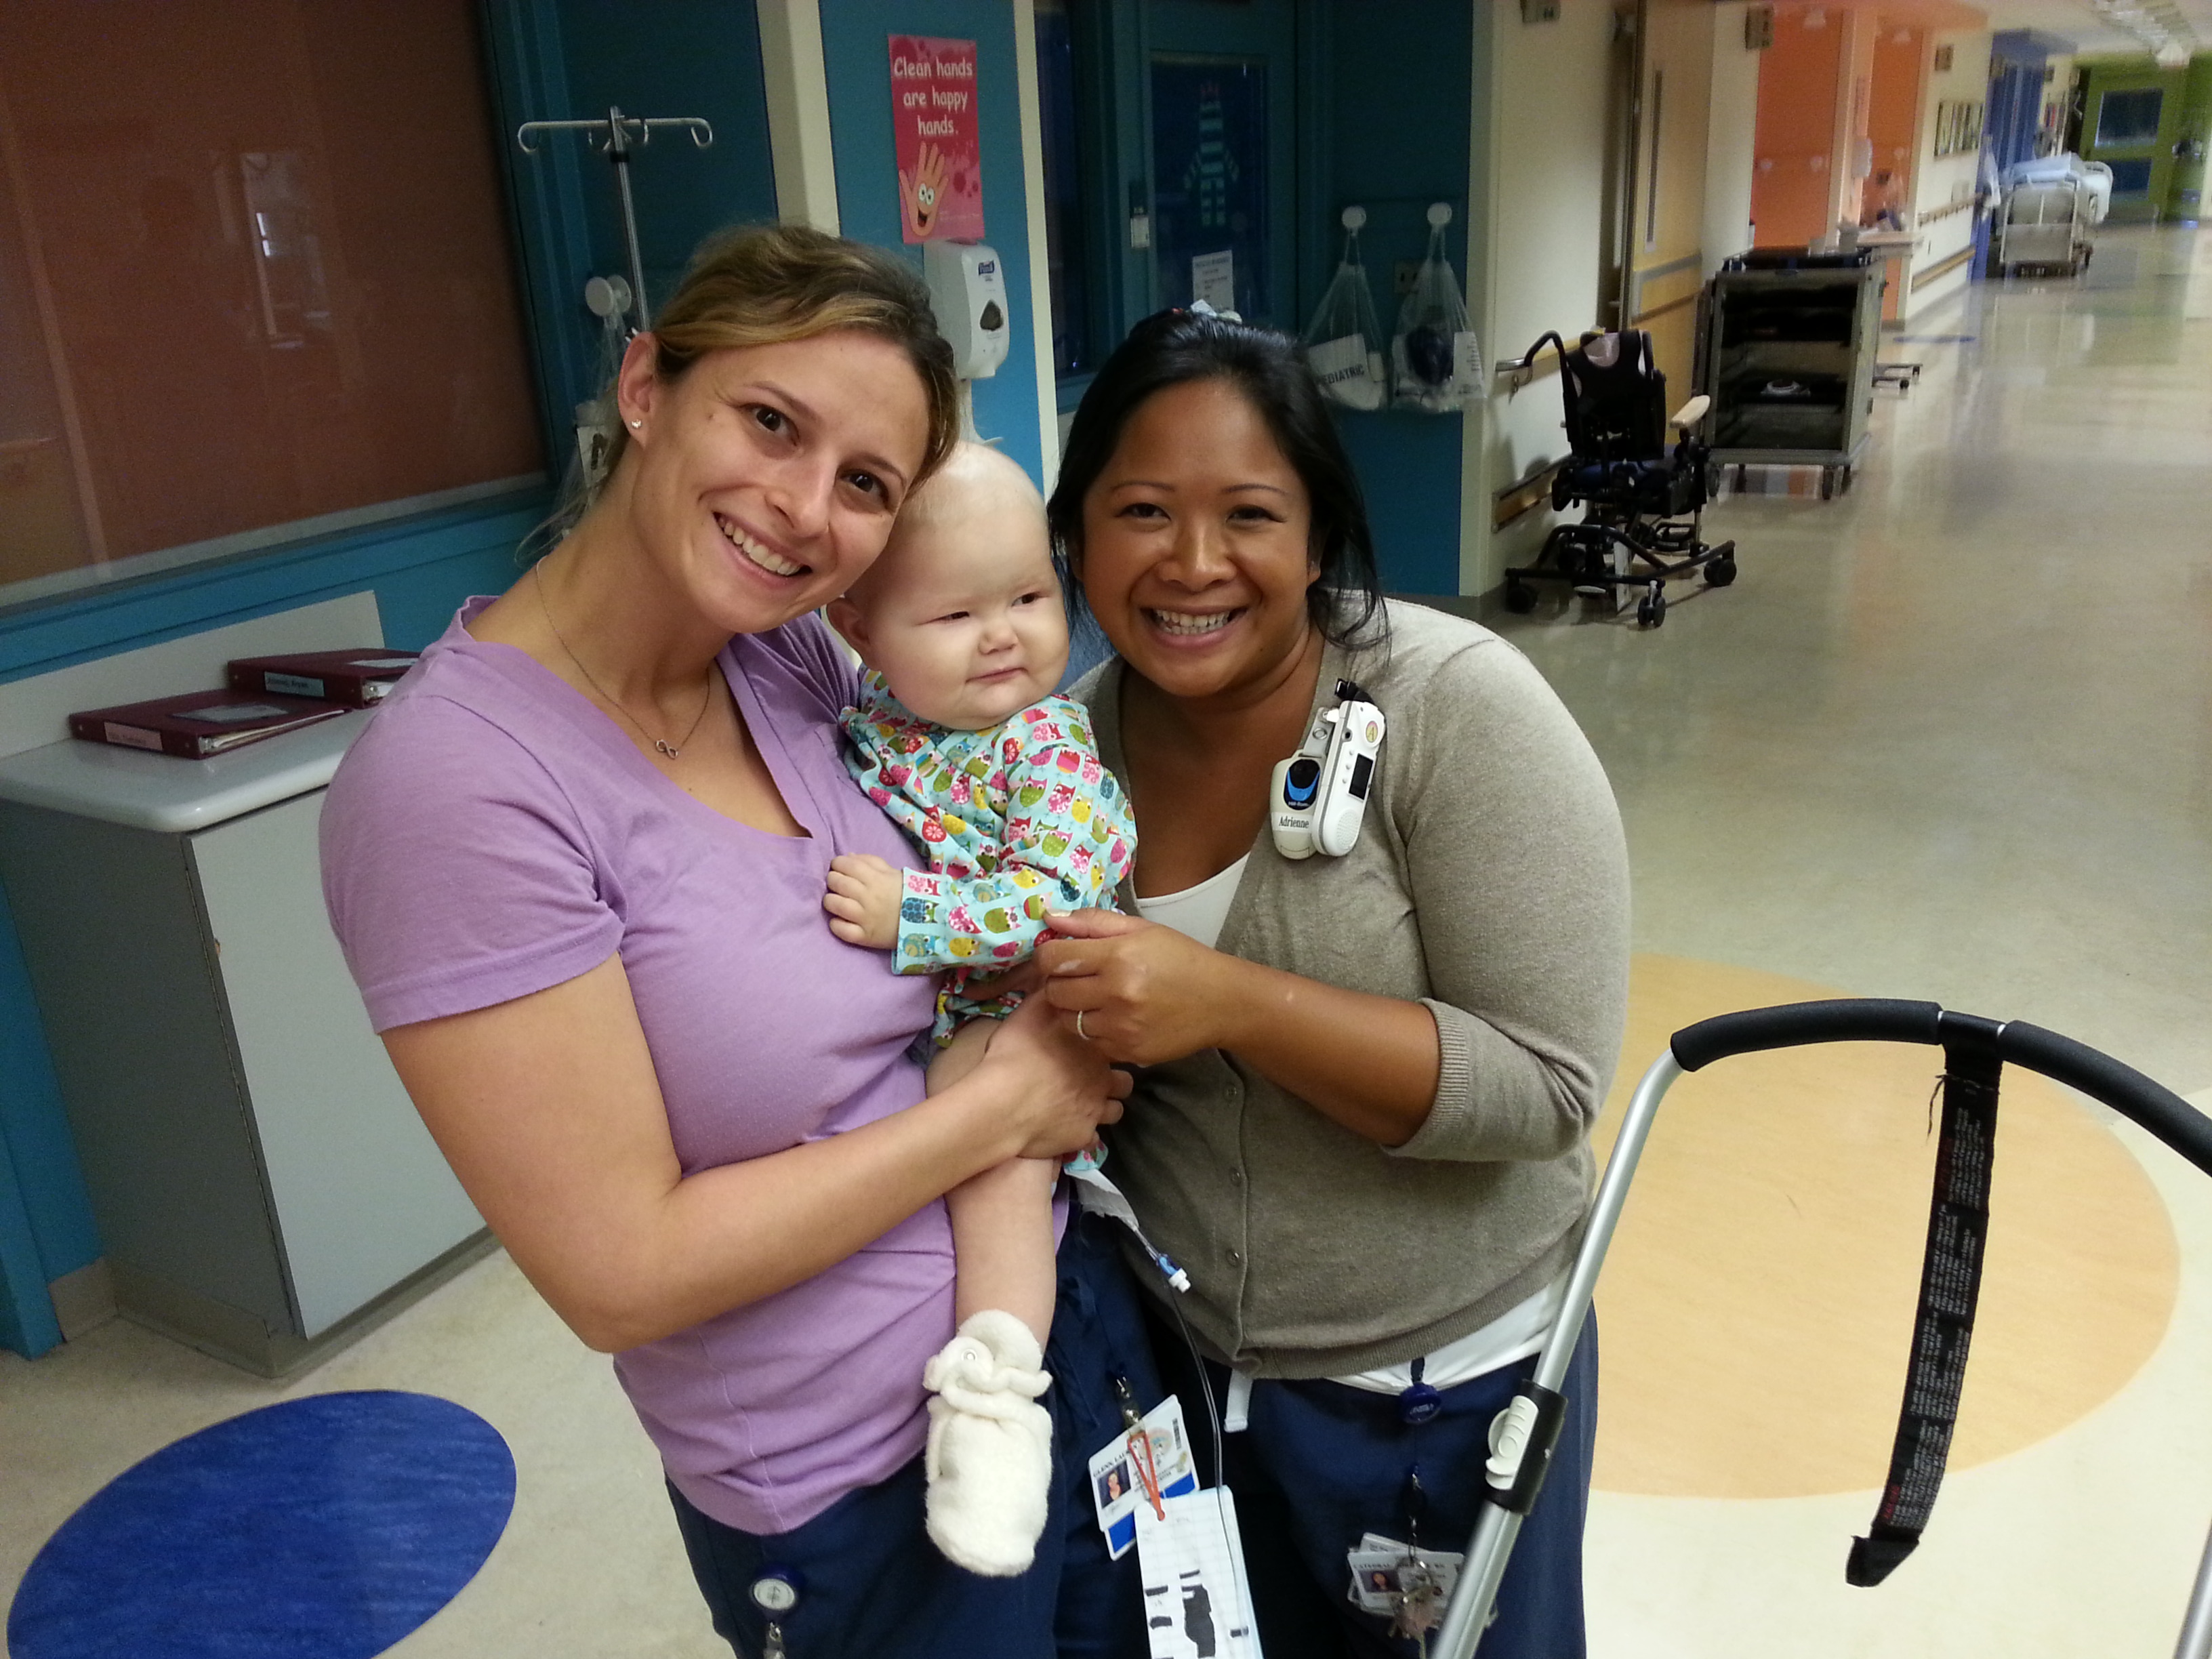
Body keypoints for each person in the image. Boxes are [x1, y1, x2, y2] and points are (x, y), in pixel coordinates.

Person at [319, 224, 1162, 1659]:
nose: (799, 506)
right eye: (769, 421)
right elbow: (620, 1273)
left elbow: (983, 772)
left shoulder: (782, 657)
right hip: (850, 1478)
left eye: (864, 485)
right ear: (647, 387)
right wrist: (1002, 1110)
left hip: (1049, 1328)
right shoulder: (457, 791)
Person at [1032, 308, 1631, 1659]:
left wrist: (1229, 1000)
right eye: (1140, 511)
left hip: (1439, 1387)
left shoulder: (1452, 710)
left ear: (1316, 536)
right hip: (1182, 1382)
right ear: (1077, 535)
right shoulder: (1063, 755)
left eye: (1249, 513)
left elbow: (1547, 1087)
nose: (1193, 563)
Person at [820, 441, 1136, 1576]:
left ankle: (996, 1400)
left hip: (1038, 1012)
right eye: (956, 612)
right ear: (858, 634)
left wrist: (914, 916)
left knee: (996, 1152)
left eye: (1030, 597)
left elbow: (1054, 897)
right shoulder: (873, 721)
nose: (1004, 634)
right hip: (941, 1029)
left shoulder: (1039, 743)